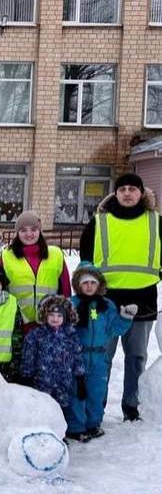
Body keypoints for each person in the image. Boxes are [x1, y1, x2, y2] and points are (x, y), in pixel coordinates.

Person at [80, 172, 161, 422]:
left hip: (143, 301)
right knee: (100, 357)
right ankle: (96, 407)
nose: (127, 193)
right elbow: (85, 261)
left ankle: (131, 407)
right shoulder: (99, 222)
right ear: (115, 193)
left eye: (132, 189)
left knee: (136, 358)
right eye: (122, 189)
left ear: (141, 193)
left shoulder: (156, 222)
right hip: (105, 303)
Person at [67, 263, 135, 441]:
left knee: (96, 391)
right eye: (85, 283)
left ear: (99, 285)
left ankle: (93, 424)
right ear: (78, 285)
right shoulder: (72, 304)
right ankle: (76, 426)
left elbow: (114, 329)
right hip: (78, 356)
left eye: (92, 282)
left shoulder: (107, 305)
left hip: (99, 357)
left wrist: (125, 318)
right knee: (77, 391)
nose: (89, 286)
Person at [21, 295, 85, 440]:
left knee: (60, 410)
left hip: (63, 382)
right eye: (51, 315)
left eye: (59, 315)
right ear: (45, 315)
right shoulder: (36, 335)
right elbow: (29, 357)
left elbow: (77, 356)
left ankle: (58, 437)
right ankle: (43, 436)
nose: (55, 319)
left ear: (65, 317)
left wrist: (80, 377)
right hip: (42, 383)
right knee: (42, 410)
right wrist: (26, 376)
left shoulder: (70, 335)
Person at [0, 211, 71, 333]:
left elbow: (65, 290)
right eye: (23, 230)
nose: (29, 234)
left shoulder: (56, 255)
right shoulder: (7, 256)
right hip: (17, 325)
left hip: (50, 325)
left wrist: (65, 317)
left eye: (33, 229)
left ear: (40, 231)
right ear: (17, 233)